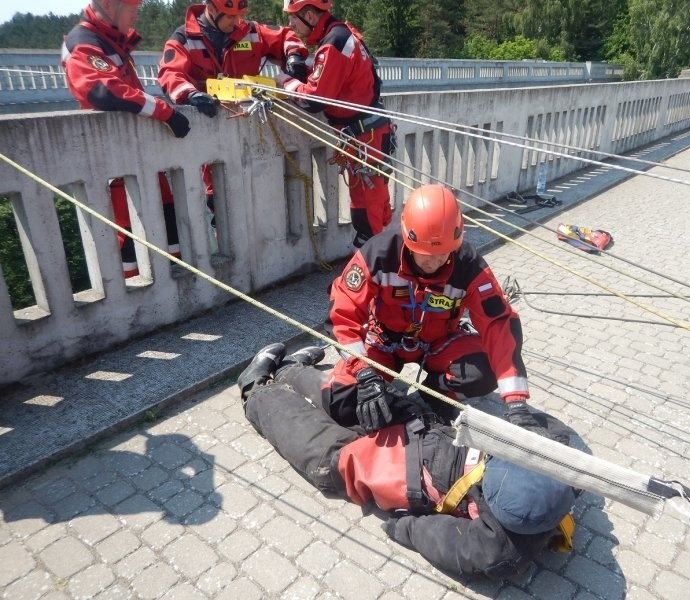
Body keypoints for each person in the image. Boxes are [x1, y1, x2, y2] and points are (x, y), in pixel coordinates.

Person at [237, 344, 577, 579]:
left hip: (406, 471)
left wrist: (401, 527)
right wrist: (522, 419)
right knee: (358, 402)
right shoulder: (565, 473)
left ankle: (255, 388)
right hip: (429, 430)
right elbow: (561, 435)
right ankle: (292, 370)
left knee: (324, 452)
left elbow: (442, 541)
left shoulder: (502, 549)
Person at [322, 183, 539, 433]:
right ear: (407, 236)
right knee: (343, 403)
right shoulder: (378, 255)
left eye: (444, 253)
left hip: (439, 343)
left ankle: (432, 398)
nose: (434, 262)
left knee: (485, 371)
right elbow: (342, 314)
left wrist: (517, 404)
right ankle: (391, 396)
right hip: (384, 341)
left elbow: (499, 325)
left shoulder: (469, 266)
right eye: (424, 253)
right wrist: (363, 372)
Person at [62, 0, 189, 277]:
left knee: (168, 225)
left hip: (140, 157)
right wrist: (165, 112)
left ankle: (181, 289)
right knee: (129, 241)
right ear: (110, 5)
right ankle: (142, 308)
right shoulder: (84, 41)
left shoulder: (109, 40)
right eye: (134, 6)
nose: (137, 13)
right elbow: (103, 91)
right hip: (114, 164)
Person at [158, 0, 309, 226]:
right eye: (230, 16)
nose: (236, 21)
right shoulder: (185, 40)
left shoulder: (250, 32)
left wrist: (295, 56)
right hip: (213, 137)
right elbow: (170, 73)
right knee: (221, 206)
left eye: (239, 15)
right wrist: (190, 94)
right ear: (211, 9)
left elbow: (285, 35)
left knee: (262, 202)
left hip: (252, 134)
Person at [279, 0, 395, 248]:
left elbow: (312, 101)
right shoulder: (341, 35)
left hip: (365, 140)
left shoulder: (333, 43)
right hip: (371, 134)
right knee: (376, 207)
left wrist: (286, 82)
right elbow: (337, 76)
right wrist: (308, 69)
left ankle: (371, 276)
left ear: (309, 15)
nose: (291, 25)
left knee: (367, 215)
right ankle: (381, 265)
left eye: (293, 18)